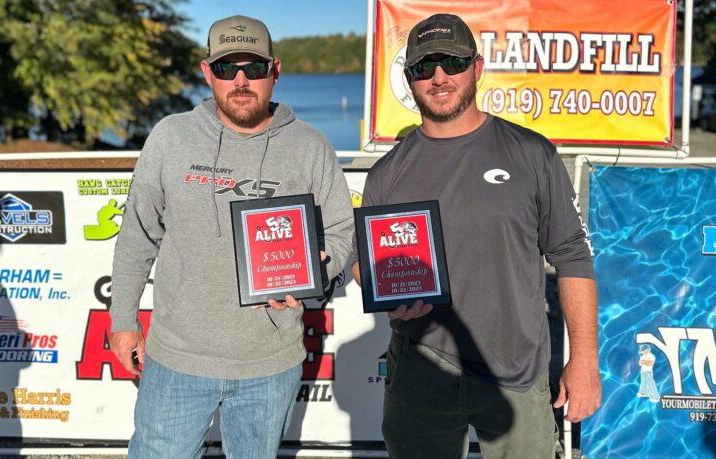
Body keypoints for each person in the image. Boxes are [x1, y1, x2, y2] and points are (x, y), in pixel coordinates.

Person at [351, 13, 601, 458]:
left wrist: (583, 361)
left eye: (452, 62)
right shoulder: (387, 173)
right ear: (410, 80)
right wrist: (381, 287)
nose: (440, 77)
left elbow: (572, 256)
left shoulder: (531, 152)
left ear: (478, 67)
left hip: (516, 371)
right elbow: (362, 262)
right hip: (420, 365)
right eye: (424, 67)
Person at [109, 15, 353, 459]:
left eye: (254, 69)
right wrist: (122, 320)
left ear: (275, 71)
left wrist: (314, 271)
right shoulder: (170, 137)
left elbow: (341, 234)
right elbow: (137, 236)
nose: (241, 81)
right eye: (226, 69)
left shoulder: (311, 146)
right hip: (175, 359)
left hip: (270, 363)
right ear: (208, 72)